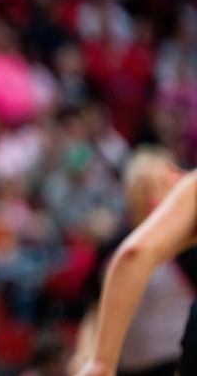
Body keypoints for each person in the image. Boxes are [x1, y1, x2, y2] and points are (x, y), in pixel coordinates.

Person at [73, 146, 197, 376]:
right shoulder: (112, 247)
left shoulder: (186, 247)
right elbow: (94, 310)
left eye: (159, 183)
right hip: (128, 366)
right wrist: (90, 356)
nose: (149, 194)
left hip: (169, 362)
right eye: (142, 185)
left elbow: (135, 253)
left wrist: (101, 363)